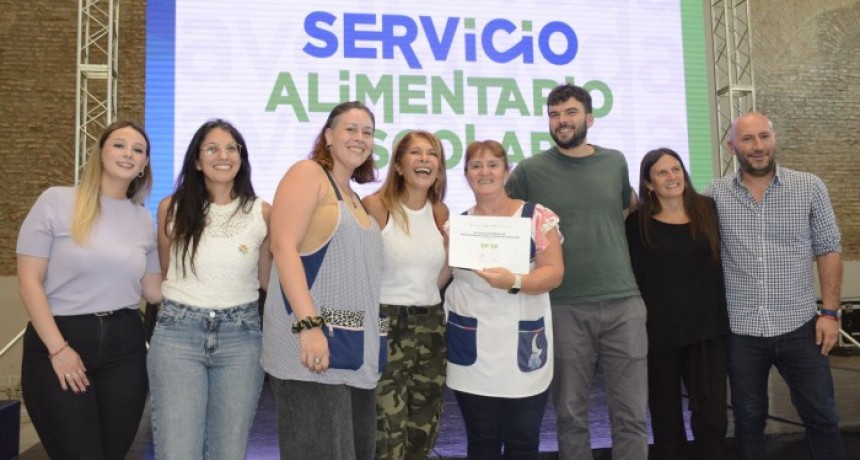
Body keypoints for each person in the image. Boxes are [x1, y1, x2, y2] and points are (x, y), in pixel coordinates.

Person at [505, 83, 648, 459]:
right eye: (554, 115)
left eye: (570, 112)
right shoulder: (529, 171)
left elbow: (626, 207)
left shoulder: (615, 161)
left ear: (589, 118)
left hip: (624, 304)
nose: (562, 121)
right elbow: (503, 219)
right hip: (562, 306)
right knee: (570, 414)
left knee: (632, 414)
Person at [16, 120, 161, 459]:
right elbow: (28, 282)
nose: (128, 154)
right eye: (119, 145)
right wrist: (58, 350)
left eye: (138, 150)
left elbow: (154, 291)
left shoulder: (143, 219)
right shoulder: (56, 201)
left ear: (144, 165)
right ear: (100, 153)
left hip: (125, 345)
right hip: (61, 338)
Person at [704, 112, 844, 459]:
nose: (758, 147)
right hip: (741, 332)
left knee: (823, 416)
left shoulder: (809, 186)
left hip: (801, 327)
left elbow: (828, 249)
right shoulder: (713, 195)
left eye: (764, 137)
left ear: (774, 139)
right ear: (731, 146)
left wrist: (830, 312)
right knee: (749, 420)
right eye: (748, 139)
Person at [262, 100, 384, 460]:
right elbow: (282, 247)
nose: (360, 138)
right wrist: (310, 326)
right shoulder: (308, 174)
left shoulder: (356, 199)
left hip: (353, 353)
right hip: (313, 350)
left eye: (368, 132)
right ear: (328, 135)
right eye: (350, 129)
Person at [147, 119, 271, 459]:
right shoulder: (170, 208)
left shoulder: (262, 212)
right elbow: (168, 269)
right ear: (198, 160)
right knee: (177, 450)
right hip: (177, 335)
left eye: (232, 148)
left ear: (241, 158)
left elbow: (267, 281)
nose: (223, 155)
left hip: (241, 337)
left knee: (228, 451)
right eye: (212, 148)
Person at [445, 140, 564, 459]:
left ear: (507, 171)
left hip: (522, 350)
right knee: (481, 440)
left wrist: (514, 280)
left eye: (493, 164)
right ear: (467, 175)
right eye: (475, 166)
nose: (484, 172)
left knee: (523, 441)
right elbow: (439, 277)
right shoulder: (456, 226)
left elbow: (554, 273)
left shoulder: (537, 217)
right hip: (472, 350)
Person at [625, 148, 730, 459]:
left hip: (706, 333)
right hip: (659, 336)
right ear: (648, 183)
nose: (672, 177)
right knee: (667, 422)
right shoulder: (637, 224)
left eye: (676, 169)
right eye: (662, 172)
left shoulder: (708, 210)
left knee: (712, 422)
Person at [362, 130, 450, 460]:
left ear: (439, 168)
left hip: (431, 325)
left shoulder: (441, 213)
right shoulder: (375, 207)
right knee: (387, 433)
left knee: (422, 432)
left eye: (432, 154)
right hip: (385, 324)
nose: (425, 159)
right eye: (415, 153)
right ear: (399, 164)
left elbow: (438, 277)